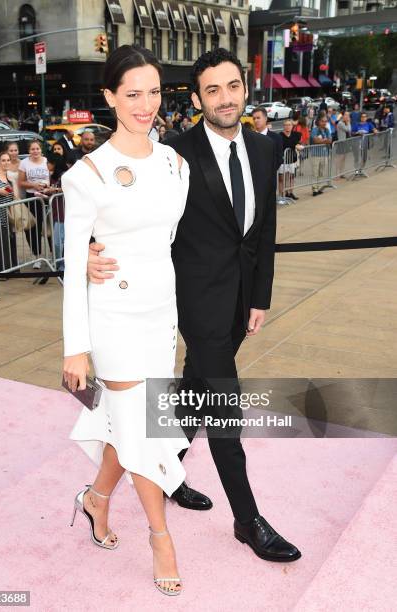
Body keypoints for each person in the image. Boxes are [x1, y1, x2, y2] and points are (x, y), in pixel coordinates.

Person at [88, 48, 301, 564]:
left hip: (239, 301)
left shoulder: (265, 147)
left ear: (244, 88)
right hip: (192, 301)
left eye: (232, 86)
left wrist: (260, 298)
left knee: (191, 392)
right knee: (225, 404)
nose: (225, 98)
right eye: (213, 90)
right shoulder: (173, 154)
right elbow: (127, 211)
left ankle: (165, 476)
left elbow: (264, 230)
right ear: (198, 97)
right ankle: (248, 521)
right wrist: (92, 250)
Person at [62, 45, 191, 597]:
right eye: (132, 93)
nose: (145, 105)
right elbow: (73, 262)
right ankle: (160, 535)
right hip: (112, 316)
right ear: (110, 96)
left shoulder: (174, 163)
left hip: (161, 315)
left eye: (154, 92)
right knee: (142, 425)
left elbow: (168, 241)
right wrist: (76, 346)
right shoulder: (85, 174)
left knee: (131, 422)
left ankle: (95, 499)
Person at [18, 139, 51, 269]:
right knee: (34, 228)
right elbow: (21, 182)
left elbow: (50, 177)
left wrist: (46, 186)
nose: (35, 151)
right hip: (32, 198)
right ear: (29, 150)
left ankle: (54, 255)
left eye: (37, 148)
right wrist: (34, 185)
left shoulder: (46, 160)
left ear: (41, 149)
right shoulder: (24, 163)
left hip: (48, 196)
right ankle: (37, 257)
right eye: (32, 149)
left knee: (49, 227)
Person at [0, 151, 18, 272]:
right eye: (3, 160)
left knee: (11, 242)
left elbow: (14, 195)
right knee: (2, 243)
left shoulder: (10, 176)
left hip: (9, 214)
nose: (6, 162)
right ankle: (3, 271)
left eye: (8, 160)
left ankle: (13, 268)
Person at [251, 106, 284, 202]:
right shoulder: (249, 138)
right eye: (254, 118)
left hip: (269, 180)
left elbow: (279, 158)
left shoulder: (276, 138)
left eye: (258, 118)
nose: (256, 120)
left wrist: (268, 171)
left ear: (265, 119)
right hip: (252, 181)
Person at [279, 119, 302, 200]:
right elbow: (285, 144)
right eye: (286, 125)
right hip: (283, 161)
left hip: (292, 159)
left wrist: (298, 144)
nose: (287, 127)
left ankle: (290, 192)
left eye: (289, 125)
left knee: (291, 177)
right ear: (283, 126)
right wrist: (295, 145)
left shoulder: (295, 135)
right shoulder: (280, 135)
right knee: (282, 178)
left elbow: (299, 141)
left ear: (292, 126)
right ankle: (282, 195)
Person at [310, 114, 332, 196]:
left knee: (321, 172)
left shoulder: (326, 130)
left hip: (324, 154)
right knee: (315, 172)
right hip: (316, 154)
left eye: (325, 121)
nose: (324, 123)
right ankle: (314, 189)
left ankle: (318, 187)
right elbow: (315, 140)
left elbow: (330, 140)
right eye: (322, 121)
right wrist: (324, 140)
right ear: (318, 122)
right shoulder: (315, 130)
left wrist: (322, 140)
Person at [335, 110, 352, 178]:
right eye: (346, 115)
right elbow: (348, 130)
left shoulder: (345, 123)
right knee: (339, 159)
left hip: (346, 142)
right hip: (341, 143)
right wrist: (348, 122)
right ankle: (337, 174)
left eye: (348, 115)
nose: (347, 117)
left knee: (344, 159)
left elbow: (349, 130)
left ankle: (342, 173)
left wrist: (348, 123)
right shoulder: (340, 123)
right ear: (343, 116)